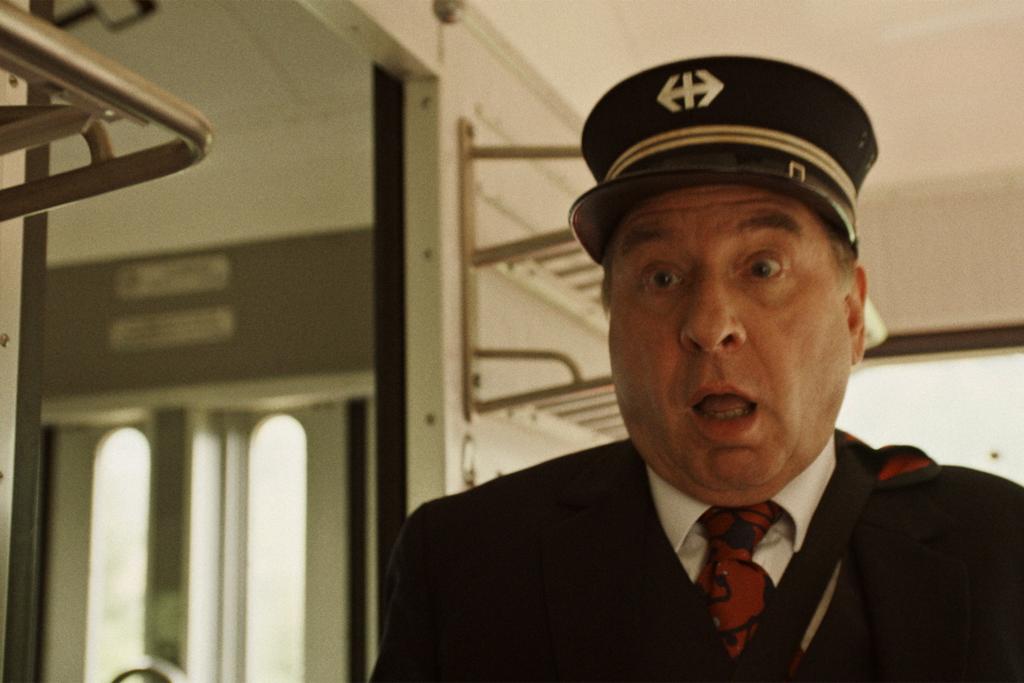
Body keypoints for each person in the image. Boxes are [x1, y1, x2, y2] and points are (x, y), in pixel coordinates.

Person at [371, 56, 1024, 681]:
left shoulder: (1000, 547)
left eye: (762, 268)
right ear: (612, 322)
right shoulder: (466, 562)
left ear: (852, 315)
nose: (710, 325)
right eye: (661, 277)